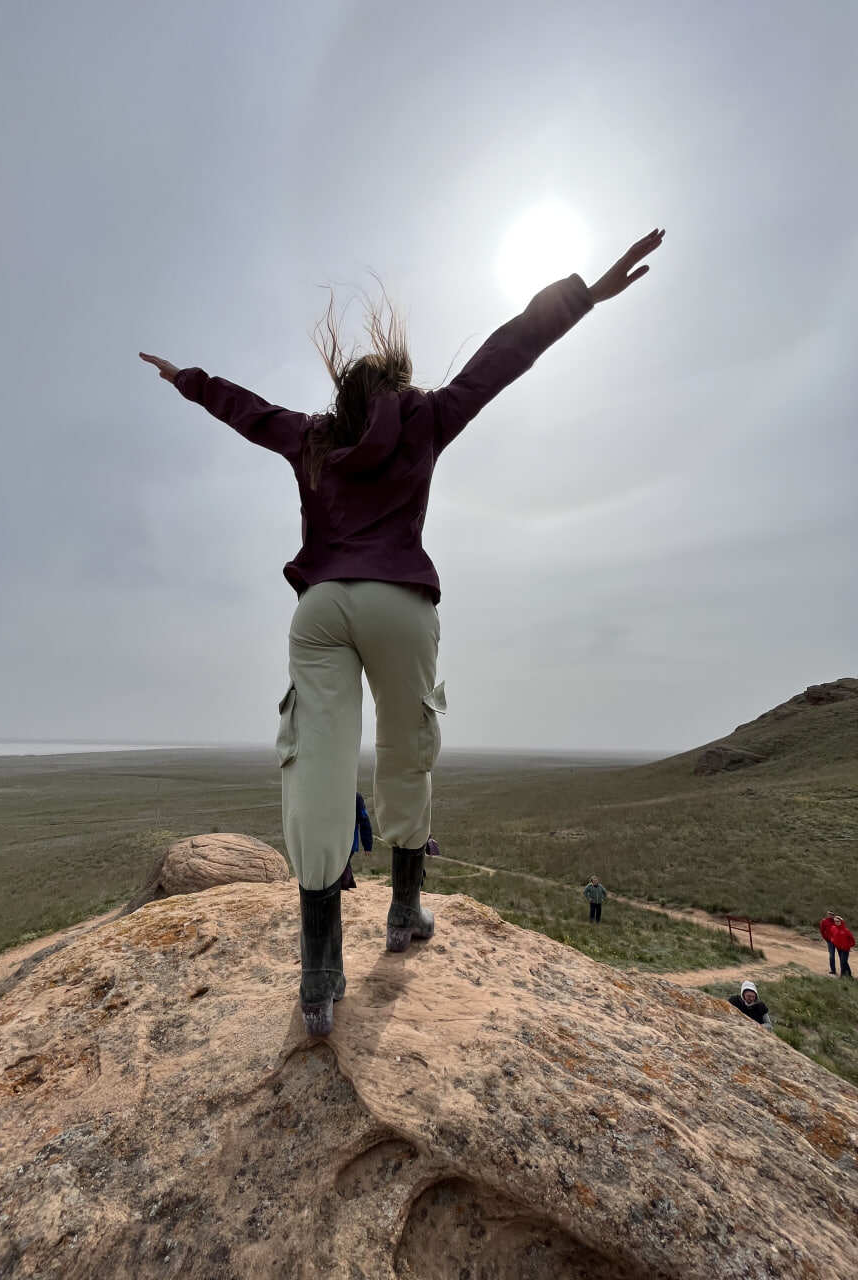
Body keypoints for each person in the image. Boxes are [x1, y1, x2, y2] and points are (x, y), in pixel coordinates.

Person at [140, 227, 666, 1037]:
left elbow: (248, 413)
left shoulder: (313, 436)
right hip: (400, 605)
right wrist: (584, 295)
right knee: (405, 751)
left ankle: (320, 973)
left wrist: (187, 380)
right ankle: (404, 911)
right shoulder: (426, 418)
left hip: (321, 609)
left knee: (317, 765)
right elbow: (503, 355)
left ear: (345, 393)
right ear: (395, 384)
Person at [339, 792, 373, 890]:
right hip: (340, 840)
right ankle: (348, 883)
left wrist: (367, 844)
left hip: (349, 840)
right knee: (342, 864)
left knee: (343, 863)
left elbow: (364, 820)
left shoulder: (355, 797)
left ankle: (345, 884)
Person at [820, 909, 838, 975]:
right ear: (827, 914)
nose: (830, 915)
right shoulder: (824, 921)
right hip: (830, 941)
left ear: (834, 915)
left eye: (832, 914)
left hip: (838, 941)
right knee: (832, 956)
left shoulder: (836, 921)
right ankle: (833, 970)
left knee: (842, 957)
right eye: (829, 914)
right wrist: (826, 938)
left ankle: (844, 972)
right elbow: (822, 931)